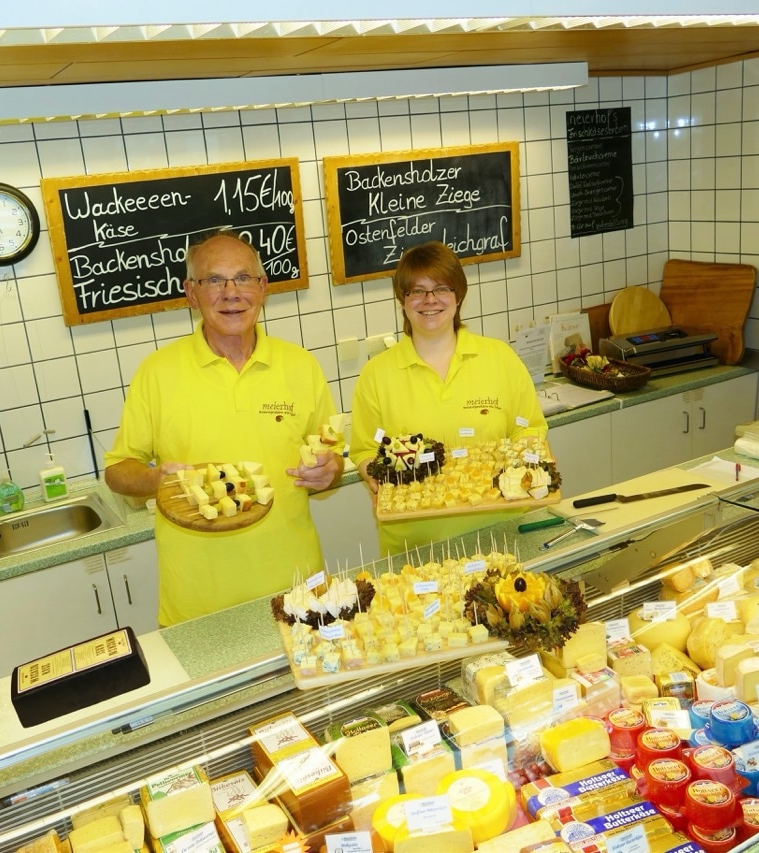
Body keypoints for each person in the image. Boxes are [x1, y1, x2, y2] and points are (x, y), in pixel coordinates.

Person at [104, 232, 342, 626]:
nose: (231, 293)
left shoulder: (301, 366)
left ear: (263, 288)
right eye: (214, 280)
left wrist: (329, 471)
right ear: (191, 294)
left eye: (244, 278)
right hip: (197, 599)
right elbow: (117, 471)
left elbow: (331, 462)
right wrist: (154, 479)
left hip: (297, 588)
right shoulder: (157, 373)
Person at [350, 241, 548, 556]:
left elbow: (528, 428)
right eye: (417, 291)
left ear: (459, 295)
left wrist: (532, 466)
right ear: (402, 300)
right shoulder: (377, 375)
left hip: (499, 532)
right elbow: (365, 448)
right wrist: (375, 476)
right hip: (414, 543)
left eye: (441, 288)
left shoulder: (500, 358)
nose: (430, 300)